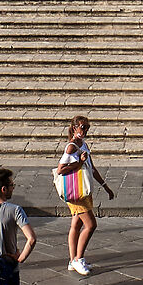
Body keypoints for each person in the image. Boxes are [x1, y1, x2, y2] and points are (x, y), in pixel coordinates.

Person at [57, 114, 113, 274]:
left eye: (87, 127)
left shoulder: (84, 145)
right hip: (76, 192)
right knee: (91, 225)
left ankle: (72, 259)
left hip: (83, 190)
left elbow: (92, 168)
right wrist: (79, 162)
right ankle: (78, 259)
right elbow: (61, 169)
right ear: (74, 128)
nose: (85, 130)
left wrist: (105, 186)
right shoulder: (71, 147)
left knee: (76, 224)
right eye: (83, 127)